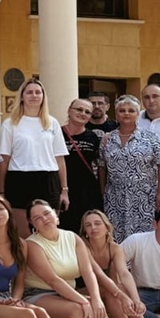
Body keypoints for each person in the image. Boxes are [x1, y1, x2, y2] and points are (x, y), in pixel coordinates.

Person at [21, 200, 127, 318]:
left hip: (68, 293)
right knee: (77, 310)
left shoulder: (72, 238)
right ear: (32, 224)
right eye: (37, 218)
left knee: (97, 306)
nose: (44, 219)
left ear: (56, 215)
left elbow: (88, 272)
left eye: (46, 213)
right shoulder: (33, 245)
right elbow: (53, 280)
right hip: (39, 294)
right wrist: (82, 300)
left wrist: (95, 299)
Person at [79, 209, 160, 318]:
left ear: (107, 227)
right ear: (85, 231)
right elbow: (99, 275)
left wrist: (135, 299)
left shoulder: (115, 248)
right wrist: (122, 297)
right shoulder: (83, 246)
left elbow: (124, 273)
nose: (93, 228)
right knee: (112, 290)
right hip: (84, 291)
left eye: (97, 223)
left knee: (120, 288)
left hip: (109, 292)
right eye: (88, 225)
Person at [0, 79, 69, 237]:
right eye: (29, 92)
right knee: (23, 235)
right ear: (22, 96)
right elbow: (3, 159)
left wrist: (64, 190)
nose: (34, 95)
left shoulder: (52, 123)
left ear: (43, 96)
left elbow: (60, 159)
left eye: (38, 92)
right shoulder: (10, 124)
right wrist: (1, 192)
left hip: (48, 180)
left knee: (48, 232)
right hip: (19, 180)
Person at [98, 95, 160, 242]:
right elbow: (102, 167)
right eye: (122, 110)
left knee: (144, 238)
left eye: (131, 110)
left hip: (144, 198)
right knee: (116, 237)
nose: (126, 113)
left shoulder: (151, 137)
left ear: (138, 114)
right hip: (115, 198)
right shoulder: (107, 139)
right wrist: (103, 192)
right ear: (116, 114)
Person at [61, 98, 103, 234]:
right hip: (63, 190)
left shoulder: (92, 137)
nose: (83, 113)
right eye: (79, 109)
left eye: (87, 112)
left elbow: (99, 165)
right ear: (69, 111)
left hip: (87, 192)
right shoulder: (57, 134)